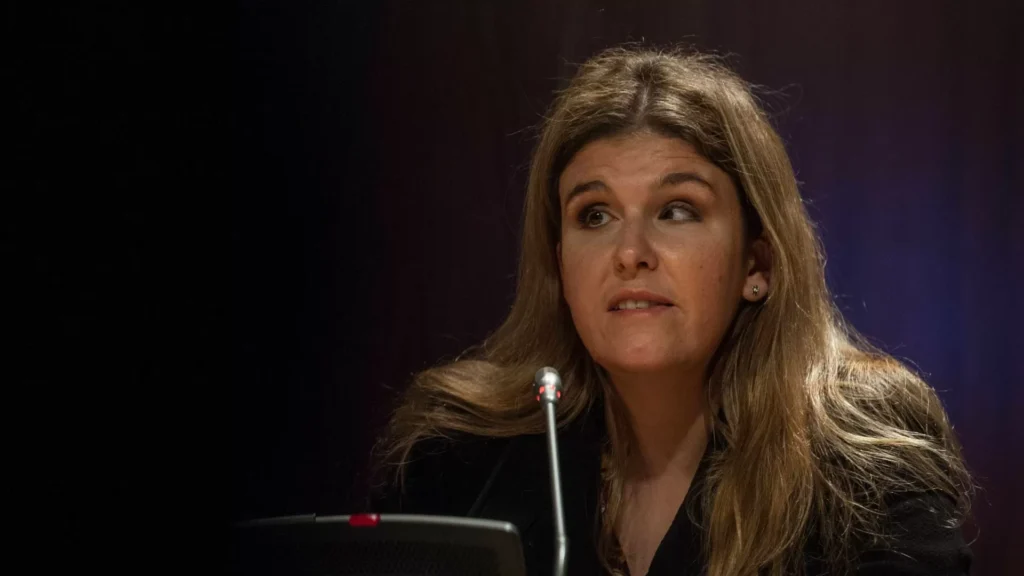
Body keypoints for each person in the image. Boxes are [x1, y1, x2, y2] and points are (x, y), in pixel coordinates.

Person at [368, 47, 973, 576]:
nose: (630, 253)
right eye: (595, 216)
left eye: (677, 210)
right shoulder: (456, 461)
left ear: (757, 263)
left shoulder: (867, 464)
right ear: (561, 267)